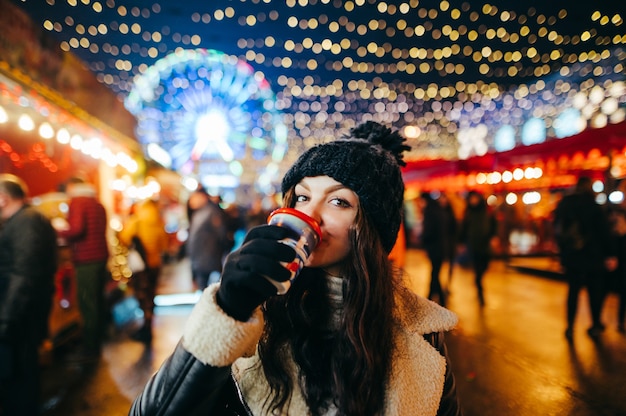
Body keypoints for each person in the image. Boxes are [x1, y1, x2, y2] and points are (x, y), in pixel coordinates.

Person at [129, 121, 462, 415]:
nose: (309, 215)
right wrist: (227, 313)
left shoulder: (420, 335)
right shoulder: (256, 318)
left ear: (372, 228)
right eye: (301, 197)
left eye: (339, 201)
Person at [0, 174, 58, 415]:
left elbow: (23, 275)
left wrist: (5, 319)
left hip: (20, 315)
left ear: (2, 199)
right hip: (21, 312)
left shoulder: (26, 222)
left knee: (19, 375)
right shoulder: (25, 220)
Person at [553, 176, 616, 340]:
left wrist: (563, 252)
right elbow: (603, 232)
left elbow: (557, 229)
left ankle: (569, 327)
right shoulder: (594, 206)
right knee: (594, 291)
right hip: (592, 256)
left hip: (572, 256)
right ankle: (595, 324)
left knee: (573, 291)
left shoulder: (565, 205)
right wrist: (610, 253)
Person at [57, 176, 109, 360]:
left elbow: (77, 229)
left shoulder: (78, 202)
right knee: (96, 299)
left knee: (87, 301)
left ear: (73, 187)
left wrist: (57, 229)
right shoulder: (96, 203)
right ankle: (99, 337)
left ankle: (90, 347)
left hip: (86, 258)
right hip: (100, 255)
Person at [118, 199, 169, 344]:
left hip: (141, 266)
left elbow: (124, 238)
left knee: (141, 294)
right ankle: (148, 326)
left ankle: (145, 329)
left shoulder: (137, 221)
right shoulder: (159, 221)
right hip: (155, 265)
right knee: (150, 295)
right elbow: (164, 245)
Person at [186, 188, 231, 290]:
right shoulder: (200, 213)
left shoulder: (211, 212)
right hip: (201, 259)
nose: (191, 201)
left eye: (194, 198)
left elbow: (221, 234)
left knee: (209, 289)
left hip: (208, 258)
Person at [458, 190, 497, 306]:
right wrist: (461, 243)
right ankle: (480, 291)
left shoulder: (487, 211)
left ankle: (478, 280)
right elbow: (463, 229)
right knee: (477, 268)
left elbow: (494, 225)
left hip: (485, 244)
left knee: (485, 265)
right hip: (473, 244)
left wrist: (494, 237)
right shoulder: (468, 213)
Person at [419, 192, 448, 306]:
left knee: (435, 273)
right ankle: (435, 297)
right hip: (441, 247)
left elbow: (429, 231)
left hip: (434, 248)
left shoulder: (429, 212)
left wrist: (423, 240)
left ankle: (433, 297)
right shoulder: (439, 210)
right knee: (435, 272)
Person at [438, 192, 458, 290]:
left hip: (450, 242)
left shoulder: (450, 213)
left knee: (450, 265)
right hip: (441, 243)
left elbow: (455, 229)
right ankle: (440, 284)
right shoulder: (437, 212)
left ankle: (448, 284)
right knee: (440, 266)